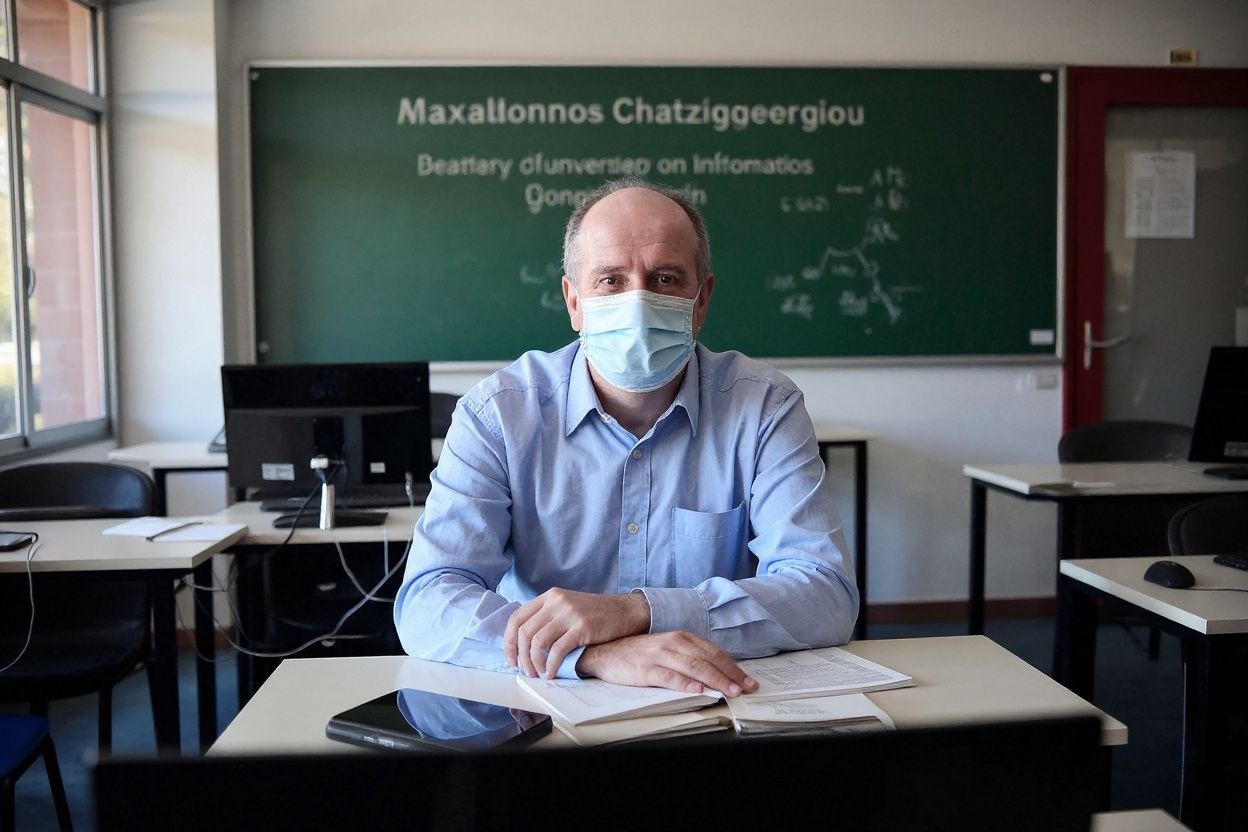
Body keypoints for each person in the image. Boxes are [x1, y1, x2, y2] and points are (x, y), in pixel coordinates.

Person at [394, 178, 858, 698]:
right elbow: (429, 601)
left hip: (711, 710)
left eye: (664, 278)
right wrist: (594, 656)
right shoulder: (498, 414)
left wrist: (636, 611)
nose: (638, 301)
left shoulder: (764, 406)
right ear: (574, 302)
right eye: (611, 280)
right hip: (545, 709)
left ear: (701, 300)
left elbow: (825, 594)